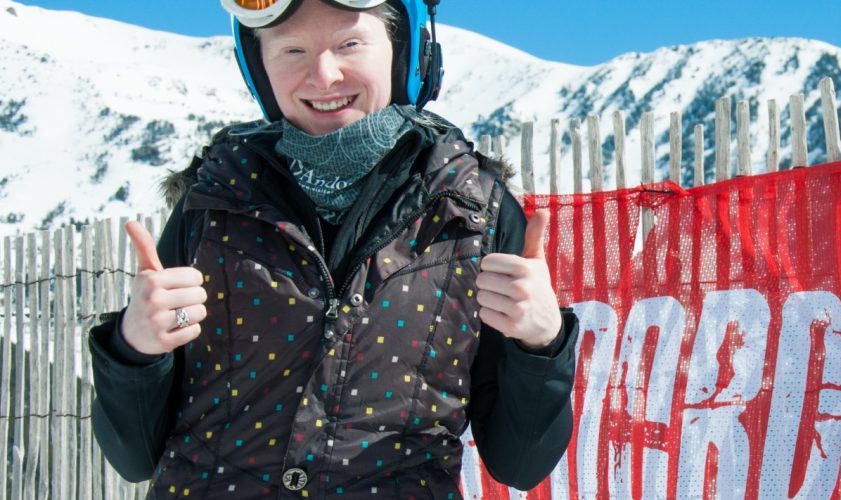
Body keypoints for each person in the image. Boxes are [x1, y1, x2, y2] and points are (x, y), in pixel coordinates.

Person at [87, 0, 578, 497]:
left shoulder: (473, 214)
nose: (323, 75)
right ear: (258, 64)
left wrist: (541, 344)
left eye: (349, 44)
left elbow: (521, 463)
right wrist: (135, 351)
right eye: (292, 49)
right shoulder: (212, 205)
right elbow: (134, 456)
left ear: (403, 52)